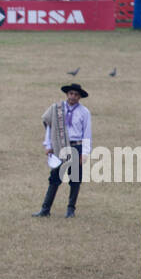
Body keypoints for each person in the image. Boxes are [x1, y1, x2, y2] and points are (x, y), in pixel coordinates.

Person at [34, 83, 91, 218]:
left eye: (76, 94)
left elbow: (87, 134)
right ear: (67, 94)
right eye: (71, 93)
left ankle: (71, 210)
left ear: (80, 97)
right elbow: (50, 128)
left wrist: (85, 153)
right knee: (54, 179)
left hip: (76, 147)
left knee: (75, 180)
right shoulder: (56, 109)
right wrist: (48, 145)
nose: (73, 97)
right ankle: (45, 209)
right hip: (60, 147)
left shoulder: (84, 112)